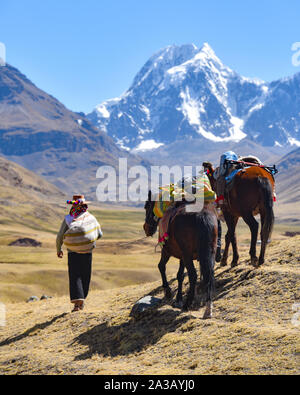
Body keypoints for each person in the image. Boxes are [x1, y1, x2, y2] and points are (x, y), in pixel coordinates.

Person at [56, 195, 102, 312]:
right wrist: (90, 240)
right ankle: (82, 302)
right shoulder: (90, 217)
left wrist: (59, 249)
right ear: (85, 205)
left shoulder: (68, 218)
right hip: (87, 251)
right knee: (85, 274)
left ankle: (77, 304)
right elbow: (99, 234)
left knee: (75, 275)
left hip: (72, 252)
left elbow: (60, 236)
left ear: (73, 205)